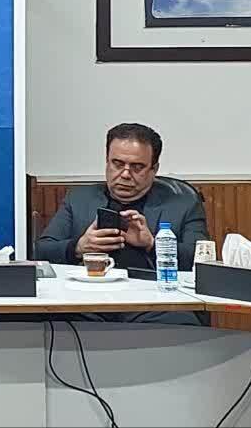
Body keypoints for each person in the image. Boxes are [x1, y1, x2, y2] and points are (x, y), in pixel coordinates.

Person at [35, 122, 208, 325]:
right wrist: (78, 247)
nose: (125, 174)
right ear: (107, 162)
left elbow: (201, 261)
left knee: (181, 322)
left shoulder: (183, 204)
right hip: (86, 304)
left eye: (137, 167)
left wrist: (152, 244)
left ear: (154, 169)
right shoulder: (79, 199)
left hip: (153, 305)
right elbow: (41, 250)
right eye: (117, 164)